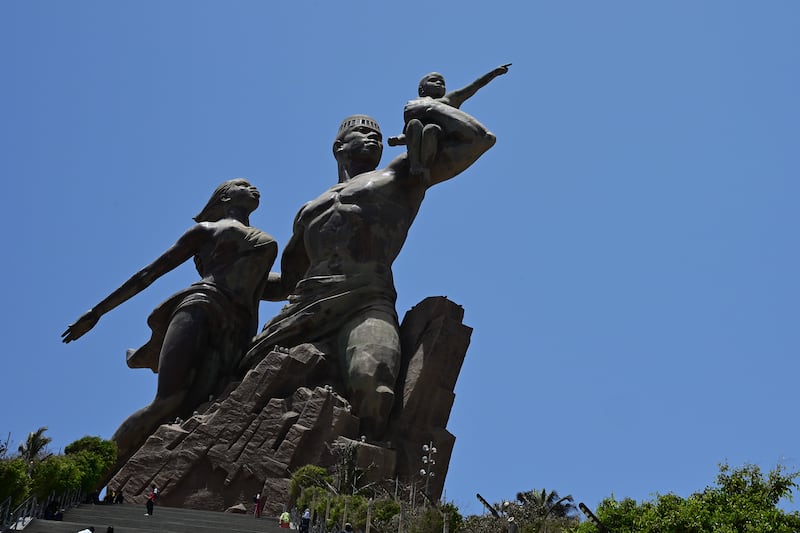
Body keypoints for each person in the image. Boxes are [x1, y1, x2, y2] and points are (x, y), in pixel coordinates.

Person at [245, 88, 500, 439]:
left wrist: (427, 106)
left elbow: (479, 140)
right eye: (364, 134)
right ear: (339, 147)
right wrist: (229, 283)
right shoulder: (309, 210)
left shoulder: (401, 176)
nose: (374, 140)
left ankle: (356, 475)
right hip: (306, 305)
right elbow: (287, 282)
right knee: (246, 379)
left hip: (366, 300)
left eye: (378, 137)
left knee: (375, 382)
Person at [62, 179, 278, 466]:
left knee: (200, 406)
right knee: (168, 401)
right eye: (244, 184)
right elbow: (149, 274)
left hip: (237, 330)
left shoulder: (262, 239)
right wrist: (97, 312)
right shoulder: (207, 231)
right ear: (224, 198)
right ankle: (92, 472)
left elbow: (273, 287)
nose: (254, 188)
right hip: (202, 307)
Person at [388, 64, 510, 176]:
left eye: (442, 82)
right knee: (414, 124)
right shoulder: (412, 104)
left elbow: (473, 86)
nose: (438, 83)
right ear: (421, 89)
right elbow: (409, 135)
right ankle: (415, 165)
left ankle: (425, 167)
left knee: (431, 129)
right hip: (417, 142)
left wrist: (493, 73)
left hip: (438, 137)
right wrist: (398, 140)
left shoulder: (448, 100)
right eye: (433, 81)